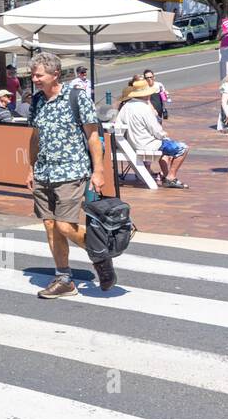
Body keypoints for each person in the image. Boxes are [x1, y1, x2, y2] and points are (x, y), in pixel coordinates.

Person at [26, 52, 114, 296]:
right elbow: (35, 137)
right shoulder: (36, 101)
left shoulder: (77, 97)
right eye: (32, 74)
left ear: (55, 74)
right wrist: (31, 167)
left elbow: (93, 137)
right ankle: (64, 278)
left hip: (71, 171)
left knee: (65, 226)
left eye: (39, 75)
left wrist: (99, 171)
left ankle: (101, 255)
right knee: (50, 225)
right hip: (44, 172)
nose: (34, 78)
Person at [117, 79, 190, 188]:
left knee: (165, 147)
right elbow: (156, 130)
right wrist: (164, 136)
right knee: (183, 148)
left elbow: (117, 125)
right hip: (147, 144)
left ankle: (167, 176)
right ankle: (171, 177)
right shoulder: (144, 108)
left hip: (130, 144)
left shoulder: (126, 107)